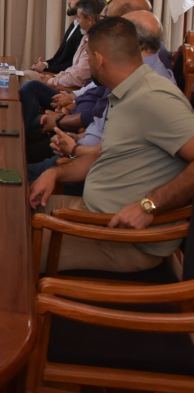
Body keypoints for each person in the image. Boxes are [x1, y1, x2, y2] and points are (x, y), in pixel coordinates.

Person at [28, 17, 194, 274]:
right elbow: (98, 156)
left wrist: (149, 205)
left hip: (125, 238)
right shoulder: (126, 91)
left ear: (99, 58)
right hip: (94, 214)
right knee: (13, 210)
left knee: (14, 249)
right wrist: (55, 173)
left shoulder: (154, 98)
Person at [28, 11, 176, 184]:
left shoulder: (154, 91)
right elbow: (110, 146)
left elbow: (117, 157)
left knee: (12, 172)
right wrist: (75, 143)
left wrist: (148, 205)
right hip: (84, 153)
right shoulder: (129, 80)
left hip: (94, 175)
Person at [19, 0, 106, 131]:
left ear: (90, 20)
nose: (77, 22)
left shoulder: (98, 44)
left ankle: (25, 131)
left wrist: (55, 85)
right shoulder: (86, 38)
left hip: (73, 93)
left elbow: (79, 77)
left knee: (31, 87)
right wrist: (55, 78)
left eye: (79, 18)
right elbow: (73, 68)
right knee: (29, 85)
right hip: (73, 95)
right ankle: (27, 129)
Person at [29, 0, 103, 73]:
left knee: (25, 77)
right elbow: (59, 58)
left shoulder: (85, 31)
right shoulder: (74, 24)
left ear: (84, 2)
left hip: (64, 78)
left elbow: (74, 63)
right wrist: (44, 64)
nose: (68, 2)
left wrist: (46, 68)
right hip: (57, 75)